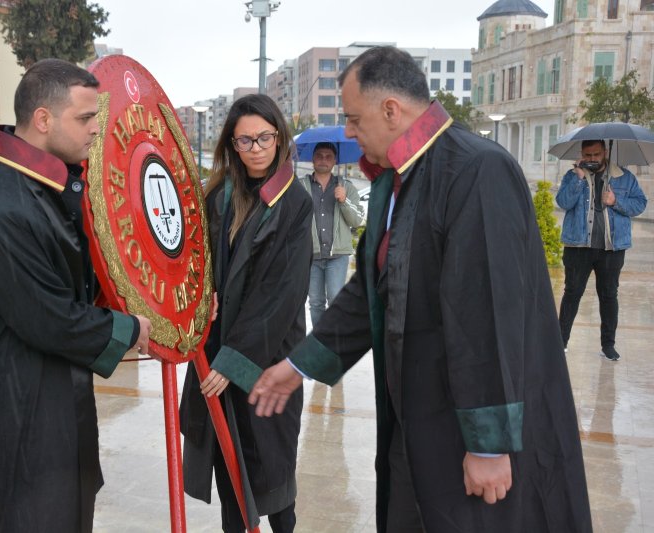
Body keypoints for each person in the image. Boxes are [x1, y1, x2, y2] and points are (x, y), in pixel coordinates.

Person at [248, 46, 592, 532]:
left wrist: (487, 444)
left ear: (391, 110)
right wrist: (299, 363)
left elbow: (487, 310)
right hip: (421, 416)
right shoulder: (399, 180)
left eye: (352, 118)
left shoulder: (476, 170)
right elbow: (369, 290)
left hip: (473, 430)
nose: (348, 131)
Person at [0, 58, 152, 532]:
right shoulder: (1, 207)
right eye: (84, 118)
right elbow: (50, 318)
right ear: (42, 119)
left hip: (49, 414)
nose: (96, 130)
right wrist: (131, 328)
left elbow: (86, 274)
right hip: (12, 427)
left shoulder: (45, 187)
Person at [178, 93, 312, 533]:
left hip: (269, 358)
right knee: (229, 465)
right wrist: (201, 296)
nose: (255, 150)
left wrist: (236, 359)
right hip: (217, 348)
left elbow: (281, 294)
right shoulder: (218, 195)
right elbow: (192, 259)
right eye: (244, 141)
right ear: (231, 145)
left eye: (264, 138)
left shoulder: (293, 202)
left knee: (272, 469)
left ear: (279, 137)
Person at [556, 139, 647, 361]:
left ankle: (608, 346)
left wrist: (616, 200)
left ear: (605, 152)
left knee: (608, 296)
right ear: (581, 154)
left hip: (611, 247)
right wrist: (578, 180)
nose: (592, 159)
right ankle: (560, 342)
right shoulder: (572, 175)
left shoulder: (623, 177)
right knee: (571, 293)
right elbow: (563, 202)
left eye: (596, 154)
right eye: (587, 155)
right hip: (579, 246)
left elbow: (640, 204)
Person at [298, 142, 364, 328]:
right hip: (311, 255)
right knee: (316, 303)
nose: (323, 160)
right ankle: (319, 342)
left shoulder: (346, 187)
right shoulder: (301, 186)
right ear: (313, 158)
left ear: (335, 160)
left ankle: (335, 340)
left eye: (328, 156)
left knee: (335, 300)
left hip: (338, 255)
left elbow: (357, 220)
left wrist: (343, 200)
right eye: (319, 155)